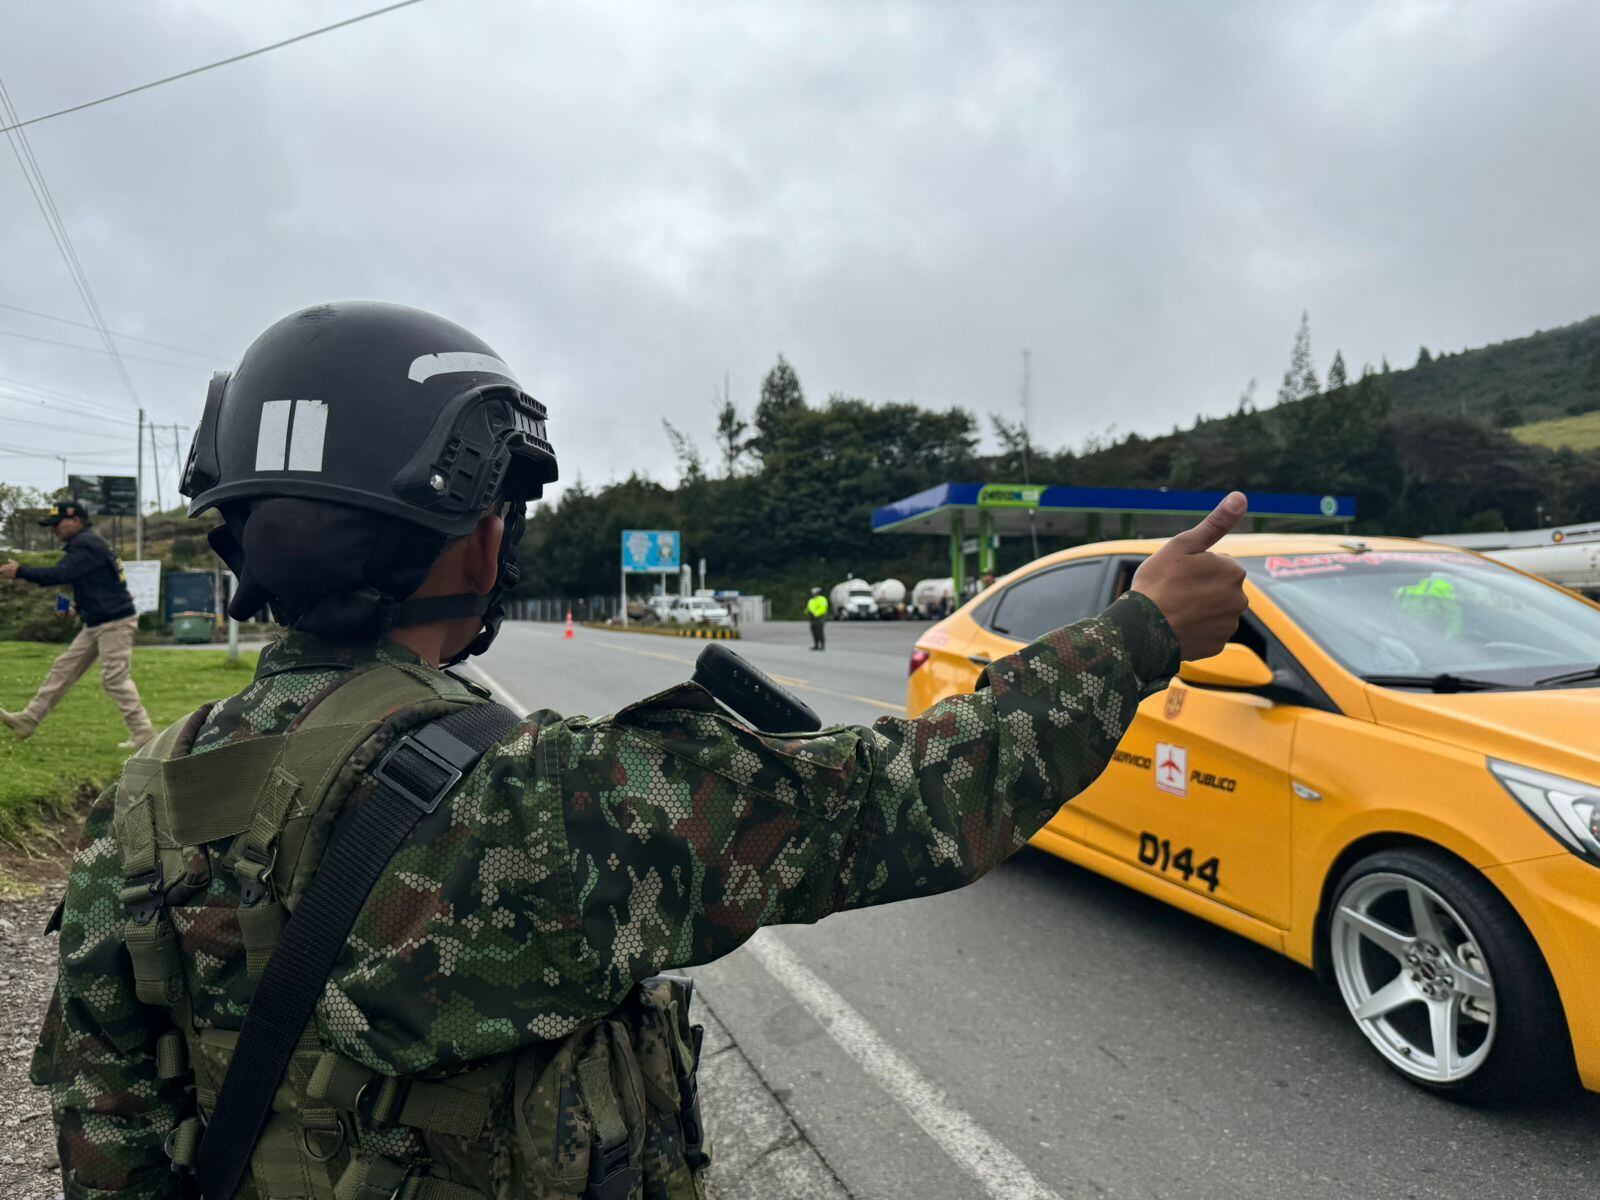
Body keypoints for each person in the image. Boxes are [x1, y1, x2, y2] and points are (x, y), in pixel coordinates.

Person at [31, 301, 1248, 1200]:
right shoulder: (542, 803)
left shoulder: (141, 807)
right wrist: (1142, 630)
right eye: (498, 514)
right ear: (465, 538)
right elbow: (921, 794)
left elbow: (107, 1146)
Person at [0, 499, 155, 749]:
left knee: (115, 679)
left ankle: (144, 732)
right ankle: (27, 721)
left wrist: (20, 571)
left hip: (114, 623)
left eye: (58, 524)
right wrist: (76, 609)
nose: (54, 530)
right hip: (98, 621)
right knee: (63, 669)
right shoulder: (87, 544)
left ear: (76, 520)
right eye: (51, 526)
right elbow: (99, 585)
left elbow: (58, 575)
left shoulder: (85, 545)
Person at [807, 584, 829, 650]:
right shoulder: (811, 600)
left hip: (820, 617)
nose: (813, 594)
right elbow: (809, 608)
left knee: (820, 631)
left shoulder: (822, 599)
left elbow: (823, 608)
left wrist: (817, 613)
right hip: (812, 618)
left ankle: (822, 645)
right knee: (814, 631)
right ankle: (816, 645)